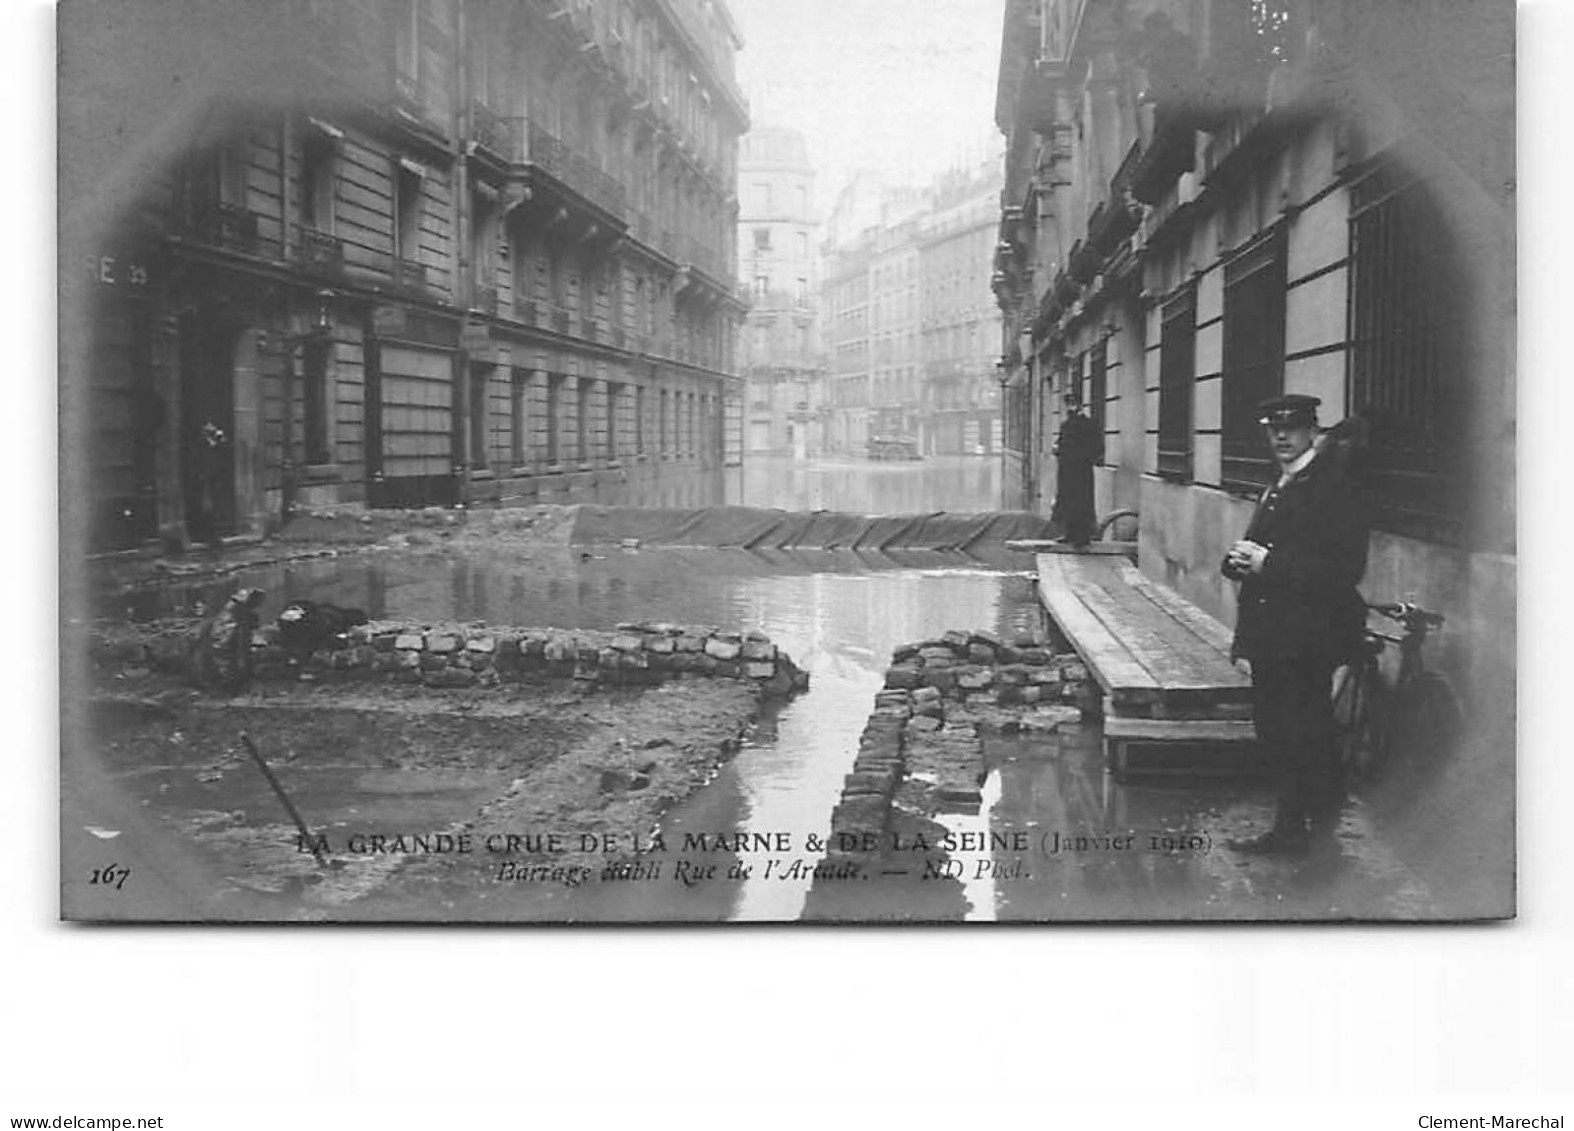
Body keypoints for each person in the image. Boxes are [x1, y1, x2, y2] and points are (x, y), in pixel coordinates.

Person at [1221, 394, 1371, 860]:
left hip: (1309, 635)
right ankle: (1296, 828)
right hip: (1275, 634)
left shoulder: (1334, 485)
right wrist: (1239, 561)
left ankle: (1313, 835)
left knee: (1305, 732)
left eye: (1292, 429)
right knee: (1279, 731)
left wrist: (1270, 563)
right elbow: (1267, 546)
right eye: (1273, 430)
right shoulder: (1282, 482)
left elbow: (1344, 569)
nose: (1281, 438)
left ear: (1312, 431)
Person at [1051, 391, 1101, 548]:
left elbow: (1097, 447)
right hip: (1066, 471)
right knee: (1067, 501)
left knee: (1082, 502)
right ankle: (1069, 534)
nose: (1071, 406)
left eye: (1073, 403)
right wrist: (1057, 448)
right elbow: (1060, 443)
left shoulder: (1089, 424)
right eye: (1068, 403)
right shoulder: (1065, 425)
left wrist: (1085, 458)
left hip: (1081, 471)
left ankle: (1083, 537)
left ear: (1080, 405)